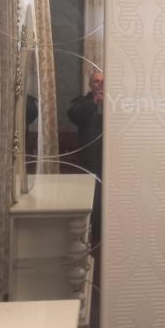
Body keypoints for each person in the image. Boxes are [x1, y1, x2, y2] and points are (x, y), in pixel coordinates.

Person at [67, 70, 103, 242]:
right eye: (96, 81)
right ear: (90, 84)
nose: (100, 85)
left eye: (103, 81)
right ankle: (93, 236)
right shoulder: (82, 102)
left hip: (113, 160)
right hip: (90, 160)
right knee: (92, 198)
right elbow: (73, 115)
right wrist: (94, 101)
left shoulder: (117, 100)